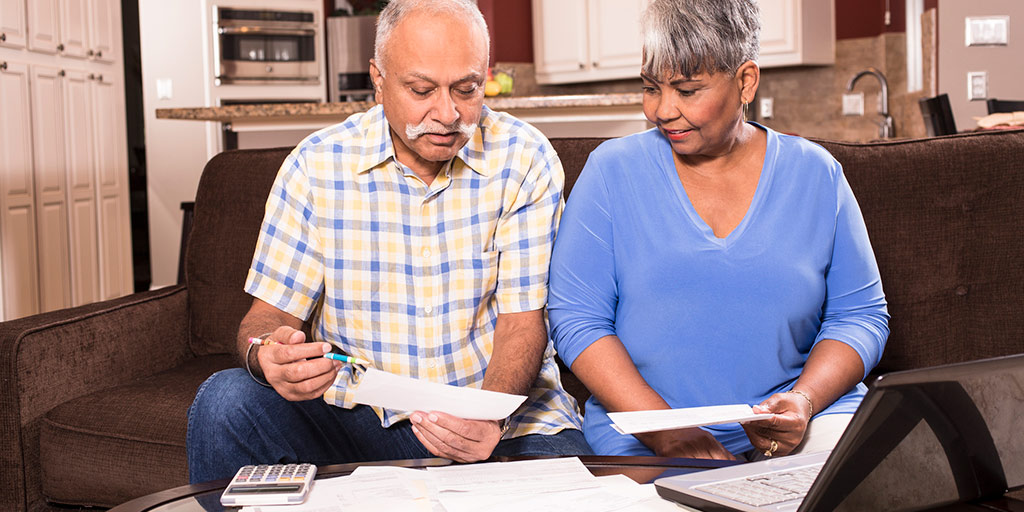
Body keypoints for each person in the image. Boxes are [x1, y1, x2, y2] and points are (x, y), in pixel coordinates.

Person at [187, 0, 589, 484]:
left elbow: (523, 324)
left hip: (504, 420)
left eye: (467, 89)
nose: (448, 114)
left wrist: (489, 416)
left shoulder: (525, 158)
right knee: (225, 402)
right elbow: (266, 320)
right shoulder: (315, 165)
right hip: (357, 418)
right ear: (378, 80)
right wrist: (265, 354)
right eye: (421, 90)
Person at [548, 0, 889, 461]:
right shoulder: (611, 172)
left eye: (688, 91)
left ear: (745, 80)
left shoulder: (817, 174)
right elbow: (576, 320)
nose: (662, 110)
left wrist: (804, 402)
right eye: (651, 87)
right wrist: (667, 431)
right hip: (645, 425)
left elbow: (860, 315)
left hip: (804, 422)